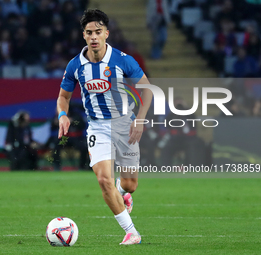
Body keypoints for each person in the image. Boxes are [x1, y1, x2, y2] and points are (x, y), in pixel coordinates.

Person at [56, 9, 152, 245]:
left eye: (98, 32)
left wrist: (139, 119)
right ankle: (131, 232)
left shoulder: (123, 60)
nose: (94, 37)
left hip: (124, 125)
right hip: (97, 128)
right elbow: (63, 97)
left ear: (106, 33)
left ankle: (123, 192)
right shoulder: (75, 65)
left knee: (130, 184)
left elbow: (147, 90)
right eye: (89, 33)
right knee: (103, 180)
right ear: (84, 35)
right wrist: (62, 115)